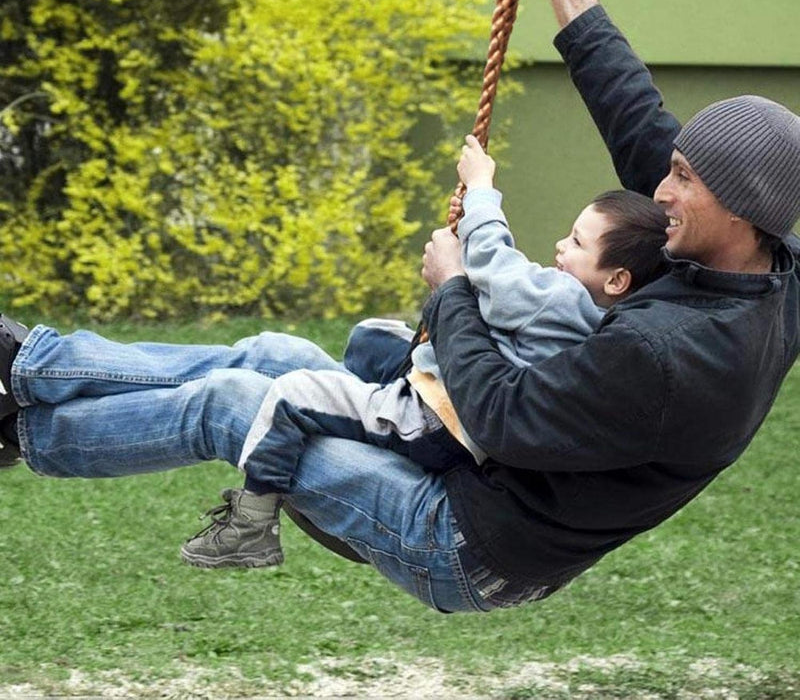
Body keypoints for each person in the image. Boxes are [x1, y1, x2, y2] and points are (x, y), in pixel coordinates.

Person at [2, 0, 800, 614]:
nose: (658, 186)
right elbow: (629, 104)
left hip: (467, 537)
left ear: (742, 208)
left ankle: (21, 436)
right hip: (456, 448)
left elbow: (506, 416)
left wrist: (454, 287)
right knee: (272, 353)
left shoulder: (675, 355)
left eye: (683, 178)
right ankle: (29, 365)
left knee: (234, 403)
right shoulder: (750, 249)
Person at [177, 134, 668, 570]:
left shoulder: (559, 298)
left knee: (290, 393)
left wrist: (481, 187)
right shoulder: (598, 328)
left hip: (433, 418)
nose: (561, 246)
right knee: (374, 336)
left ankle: (251, 524)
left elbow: (494, 263)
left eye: (577, 242)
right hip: (458, 423)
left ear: (616, 279)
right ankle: (357, 424)